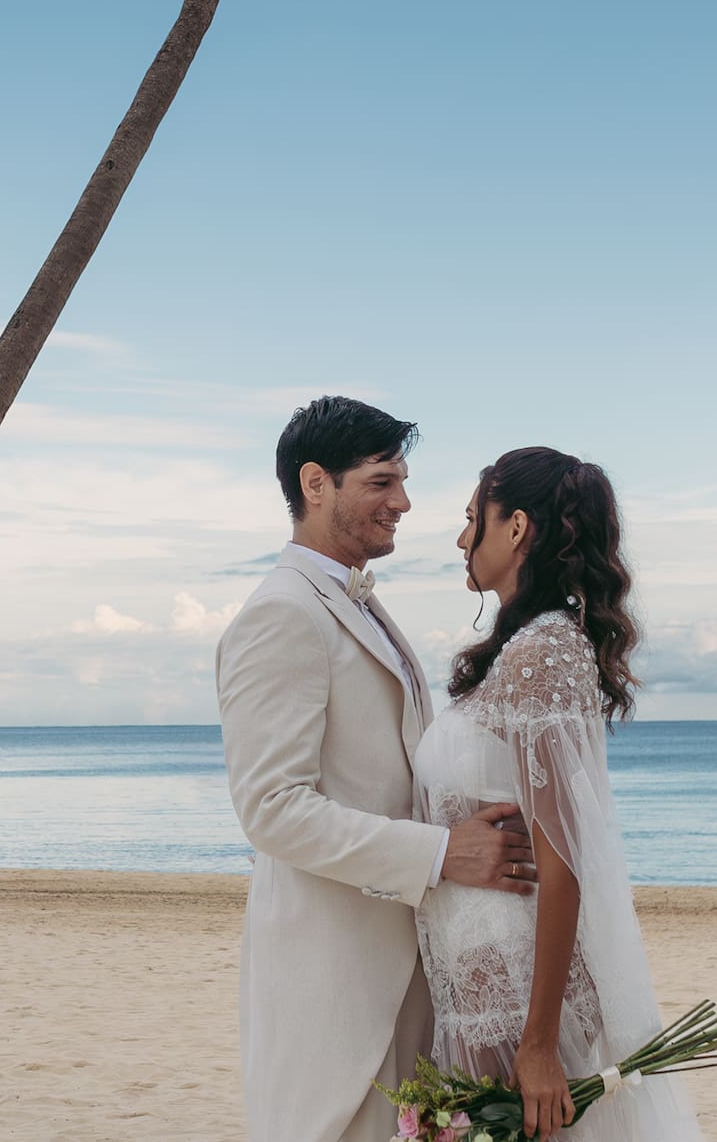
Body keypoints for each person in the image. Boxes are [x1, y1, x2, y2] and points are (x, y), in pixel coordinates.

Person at [218, 397, 538, 1142]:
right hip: (335, 985)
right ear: (315, 483)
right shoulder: (283, 613)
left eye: (402, 481)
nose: (404, 502)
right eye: (382, 481)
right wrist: (440, 852)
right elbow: (272, 808)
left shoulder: (361, 606)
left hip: (410, 972)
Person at [415, 447, 704, 1139]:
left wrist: (539, 1043)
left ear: (515, 527)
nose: (460, 540)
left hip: (516, 993)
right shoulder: (519, 651)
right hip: (478, 983)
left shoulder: (545, 650)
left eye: (470, 519)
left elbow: (565, 857)